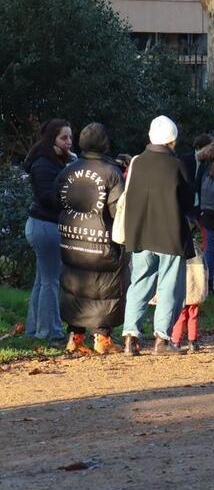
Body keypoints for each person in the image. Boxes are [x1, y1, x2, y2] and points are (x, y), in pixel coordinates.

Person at [121, 116, 196, 356]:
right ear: (172, 140)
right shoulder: (178, 165)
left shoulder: (136, 162)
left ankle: (130, 337)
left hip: (140, 232)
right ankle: (161, 340)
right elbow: (187, 201)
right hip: (170, 233)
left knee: (139, 283)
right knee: (169, 287)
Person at [55, 123, 126, 355]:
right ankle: (102, 338)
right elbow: (118, 210)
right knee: (104, 288)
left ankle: (74, 336)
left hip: (71, 241)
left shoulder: (68, 170)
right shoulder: (112, 173)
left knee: (75, 287)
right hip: (102, 244)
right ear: (105, 144)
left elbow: (57, 199)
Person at [23, 118, 74, 343]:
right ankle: (51, 332)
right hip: (45, 227)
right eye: (64, 137)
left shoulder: (54, 162)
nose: (69, 142)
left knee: (42, 280)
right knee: (50, 281)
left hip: (44, 226)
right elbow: (48, 197)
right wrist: (69, 185)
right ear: (51, 139)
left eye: (70, 137)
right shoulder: (43, 164)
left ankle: (34, 329)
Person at [197, 140, 214, 294]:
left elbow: (196, 185)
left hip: (207, 211)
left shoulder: (205, 166)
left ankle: (207, 283)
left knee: (209, 249)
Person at [181, 133, 213, 219]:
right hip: (186, 202)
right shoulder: (184, 159)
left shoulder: (209, 162)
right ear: (199, 147)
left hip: (200, 204)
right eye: (208, 148)